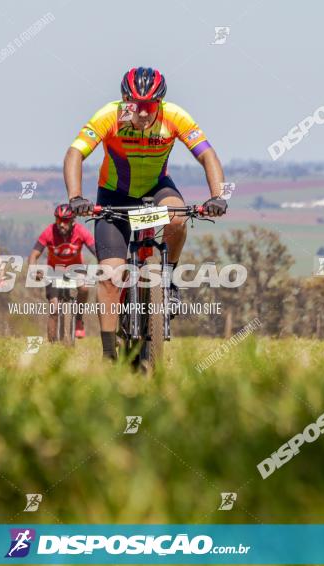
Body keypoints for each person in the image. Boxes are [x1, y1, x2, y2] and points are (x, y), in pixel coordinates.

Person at [63, 67, 228, 359]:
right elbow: (75, 153)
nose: (141, 113)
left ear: (159, 104)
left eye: (149, 107)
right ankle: (108, 353)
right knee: (111, 277)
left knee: (177, 216)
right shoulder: (110, 115)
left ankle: (169, 278)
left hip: (156, 190)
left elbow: (207, 155)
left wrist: (217, 196)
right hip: (114, 196)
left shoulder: (174, 116)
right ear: (125, 101)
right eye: (135, 106)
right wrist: (76, 197)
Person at [27, 203, 96, 340]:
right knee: (54, 308)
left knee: (84, 289)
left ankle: (78, 319)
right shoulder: (49, 232)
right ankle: (53, 345)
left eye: (65, 221)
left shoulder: (80, 231)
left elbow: (97, 251)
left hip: (75, 269)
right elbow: (33, 255)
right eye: (58, 220)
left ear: (72, 221)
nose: (61, 224)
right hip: (54, 271)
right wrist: (33, 271)